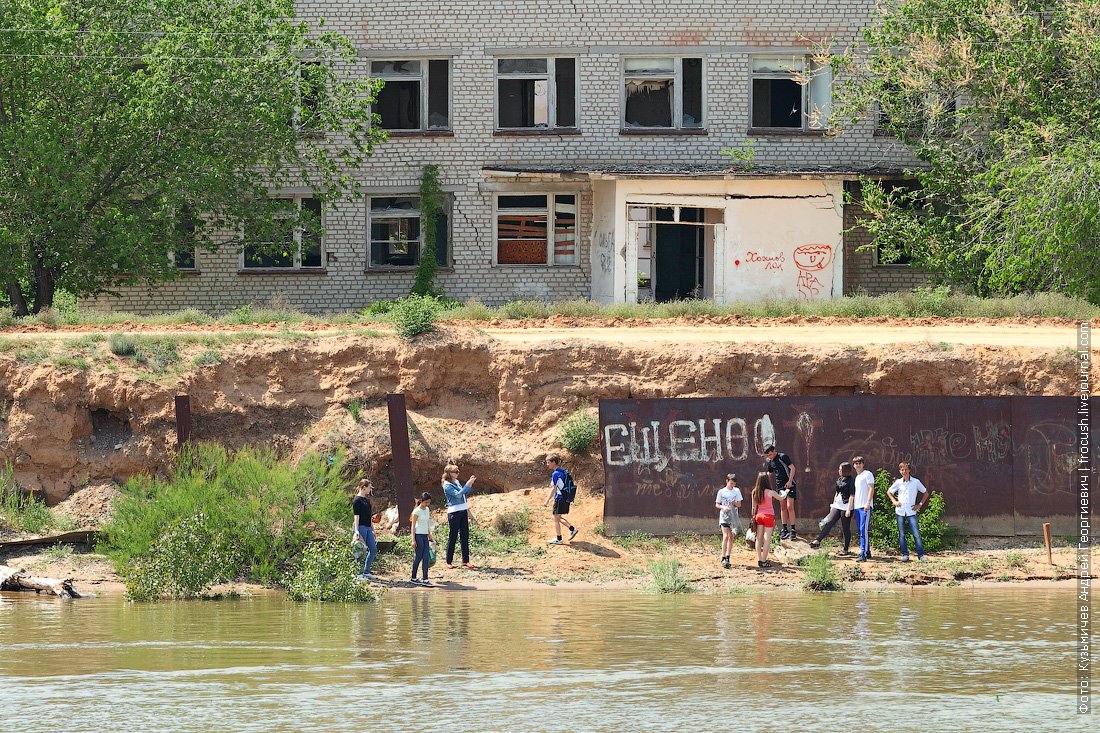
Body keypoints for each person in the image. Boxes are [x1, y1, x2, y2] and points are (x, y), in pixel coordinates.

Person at [886, 462, 929, 562]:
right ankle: (905, 554)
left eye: (906, 469)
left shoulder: (916, 482)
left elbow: (926, 493)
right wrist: (894, 501)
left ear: (909, 470)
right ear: (900, 471)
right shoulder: (898, 482)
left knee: (916, 533)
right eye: (902, 470)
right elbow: (889, 492)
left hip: (911, 511)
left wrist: (920, 505)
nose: (904, 471)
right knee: (901, 534)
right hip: (900, 511)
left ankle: (921, 555)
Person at [809, 462, 855, 554]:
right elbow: (837, 493)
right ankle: (818, 540)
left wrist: (849, 509)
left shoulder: (851, 481)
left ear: (845, 470)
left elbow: (852, 495)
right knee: (828, 522)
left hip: (846, 506)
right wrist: (833, 504)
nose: (839, 471)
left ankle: (845, 549)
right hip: (837, 505)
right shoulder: (839, 480)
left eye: (841, 469)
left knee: (845, 527)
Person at [750, 471, 789, 568]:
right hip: (769, 516)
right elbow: (781, 498)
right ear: (767, 481)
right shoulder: (770, 492)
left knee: (758, 538)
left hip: (759, 516)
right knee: (767, 538)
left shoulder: (754, 491)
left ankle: (759, 559)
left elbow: (753, 508)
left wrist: (753, 517)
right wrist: (786, 492)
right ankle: (764, 560)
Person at [442, 463, 477, 569]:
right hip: (454, 512)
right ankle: (448, 561)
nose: (457, 473)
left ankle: (465, 560)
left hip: (462, 510)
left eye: (458, 471)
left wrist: (469, 484)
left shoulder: (456, 482)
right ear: (450, 473)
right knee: (453, 536)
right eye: (455, 472)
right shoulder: (447, 485)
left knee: (465, 535)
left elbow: (463, 494)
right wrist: (468, 484)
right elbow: (458, 495)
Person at [543, 454, 579, 545]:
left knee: (556, 518)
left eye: (548, 463)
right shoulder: (562, 471)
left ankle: (559, 539)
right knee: (558, 517)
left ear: (553, 462)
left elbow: (554, 488)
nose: (547, 465)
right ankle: (572, 529)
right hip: (565, 497)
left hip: (560, 498)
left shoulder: (555, 474)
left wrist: (547, 500)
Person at [764, 445, 798, 539]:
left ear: (774, 451)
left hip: (790, 484)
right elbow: (769, 474)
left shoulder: (783, 457)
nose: (769, 457)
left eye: (770, 454)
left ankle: (793, 529)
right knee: (783, 507)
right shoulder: (770, 462)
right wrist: (763, 483)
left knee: (789, 506)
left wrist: (790, 481)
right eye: (768, 456)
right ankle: (784, 529)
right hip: (780, 487)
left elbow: (792, 468)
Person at [351, 478, 378, 579]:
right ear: (364, 487)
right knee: (360, 550)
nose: (370, 490)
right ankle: (358, 573)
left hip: (368, 527)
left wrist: (373, 529)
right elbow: (356, 516)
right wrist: (357, 530)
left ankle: (366, 571)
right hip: (361, 527)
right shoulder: (357, 500)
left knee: (373, 549)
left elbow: (369, 516)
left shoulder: (366, 500)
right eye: (369, 487)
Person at [715, 473, 743, 569]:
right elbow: (717, 504)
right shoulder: (721, 491)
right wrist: (723, 507)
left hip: (733, 517)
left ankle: (728, 556)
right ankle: (723, 557)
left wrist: (734, 502)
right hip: (724, 516)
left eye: (734, 484)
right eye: (731, 483)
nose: (732, 485)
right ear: (727, 481)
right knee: (725, 536)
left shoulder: (737, 491)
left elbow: (739, 504)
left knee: (731, 537)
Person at [852, 456, 875, 562]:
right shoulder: (857, 477)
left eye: (860, 463)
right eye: (856, 463)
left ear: (863, 464)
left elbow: (871, 488)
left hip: (865, 506)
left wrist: (868, 503)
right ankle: (867, 551)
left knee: (863, 529)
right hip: (857, 507)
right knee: (861, 530)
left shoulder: (867, 474)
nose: (858, 465)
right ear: (854, 466)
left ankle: (863, 553)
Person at [410, 492, 435, 586]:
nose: (427, 504)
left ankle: (425, 579)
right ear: (422, 501)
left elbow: (427, 523)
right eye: (426, 502)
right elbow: (413, 526)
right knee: (419, 557)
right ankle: (413, 577)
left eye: (429, 503)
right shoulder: (416, 511)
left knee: (426, 557)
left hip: (425, 535)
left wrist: (429, 535)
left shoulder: (427, 509)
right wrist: (413, 539)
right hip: (418, 535)